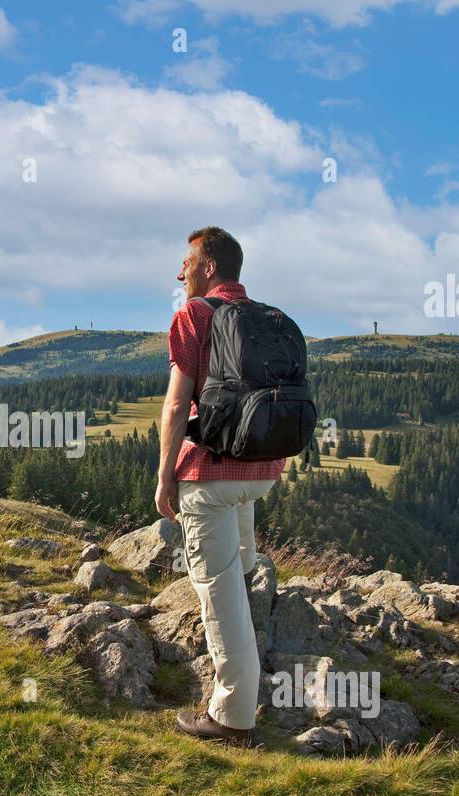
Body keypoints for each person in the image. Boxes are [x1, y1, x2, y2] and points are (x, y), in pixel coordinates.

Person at [155, 226, 286, 746]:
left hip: (209, 476)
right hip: (261, 472)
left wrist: (166, 475)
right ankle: (259, 657)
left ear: (208, 268)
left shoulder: (194, 315)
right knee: (242, 568)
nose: (179, 272)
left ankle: (233, 719)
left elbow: (174, 404)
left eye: (186, 263)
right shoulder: (267, 318)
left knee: (219, 593)